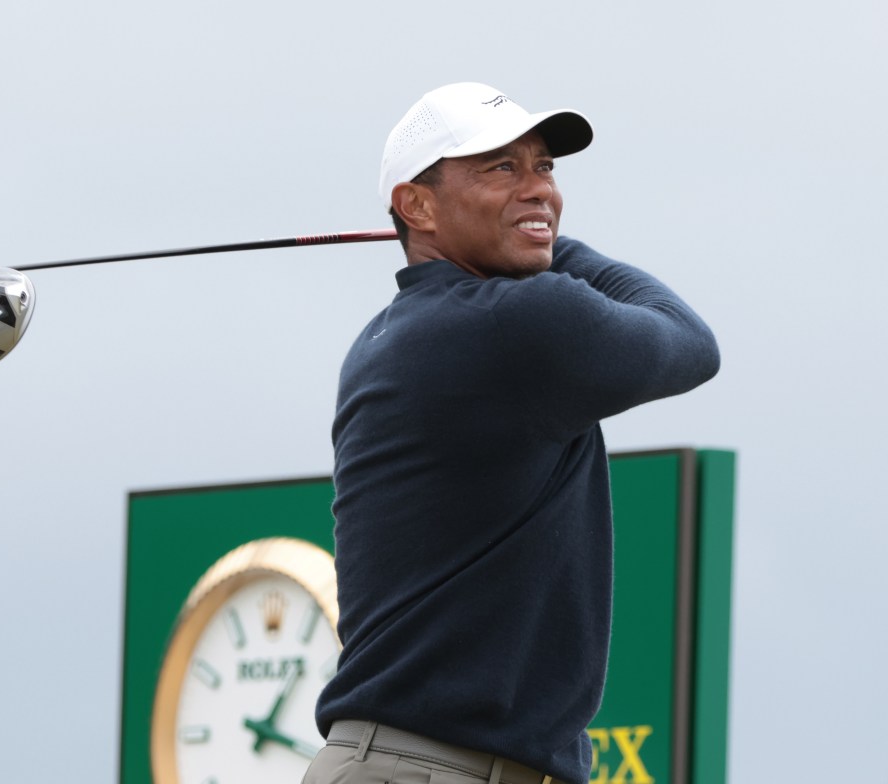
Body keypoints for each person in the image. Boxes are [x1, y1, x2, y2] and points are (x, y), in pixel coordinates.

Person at [303, 82, 720, 784]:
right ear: (416, 205)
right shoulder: (518, 324)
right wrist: (553, 245)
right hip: (435, 768)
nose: (538, 190)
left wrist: (521, 230)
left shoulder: (391, 335)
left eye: (545, 169)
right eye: (501, 169)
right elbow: (690, 341)